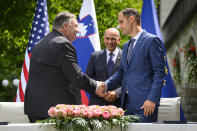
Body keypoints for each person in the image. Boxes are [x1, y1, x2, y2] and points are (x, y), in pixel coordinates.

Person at [24, 11, 104, 123]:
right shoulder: (62, 44)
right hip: (56, 112)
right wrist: (96, 85)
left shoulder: (39, 44)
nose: (78, 30)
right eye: (75, 26)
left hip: (36, 108)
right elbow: (76, 76)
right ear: (65, 26)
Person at [97, 8, 166, 122]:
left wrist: (152, 99)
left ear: (131, 19)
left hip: (145, 105)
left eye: (121, 22)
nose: (119, 26)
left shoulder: (152, 41)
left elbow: (160, 73)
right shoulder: (126, 45)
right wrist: (105, 85)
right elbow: (122, 72)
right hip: (125, 105)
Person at [86, 28, 122, 107]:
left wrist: (117, 93)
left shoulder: (126, 57)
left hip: (118, 104)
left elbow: (130, 81)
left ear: (119, 40)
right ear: (103, 39)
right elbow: (88, 79)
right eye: (107, 38)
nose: (110, 42)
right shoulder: (95, 56)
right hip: (97, 104)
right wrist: (97, 90)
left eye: (113, 39)